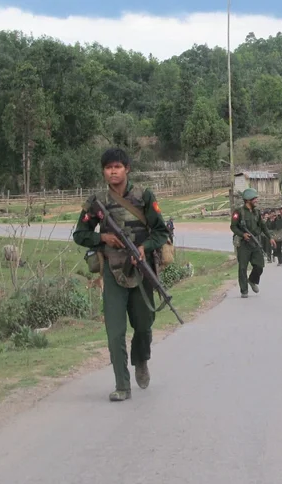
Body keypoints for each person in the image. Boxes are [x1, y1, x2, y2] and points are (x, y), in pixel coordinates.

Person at [73, 148, 170, 402]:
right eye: (108, 168)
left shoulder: (144, 196)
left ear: (127, 169)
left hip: (142, 270)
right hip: (113, 270)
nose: (113, 172)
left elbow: (161, 232)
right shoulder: (97, 201)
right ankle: (122, 385)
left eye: (117, 167)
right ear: (103, 171)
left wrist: (144, 247)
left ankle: (141, 360)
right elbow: (80, 234)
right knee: (115, 332)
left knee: (144, 326)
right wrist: (102, 237)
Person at [230, 188, 276, 298]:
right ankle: (244, 291)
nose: (256, 200)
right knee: (242, 268)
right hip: (243, 244)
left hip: (255, 243)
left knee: (259, 265)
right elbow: (233, 227)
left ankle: (252, 280)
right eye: (254, 198)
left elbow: (263, 226)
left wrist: (270, 237)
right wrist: (243, 234)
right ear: (248, 200)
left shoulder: (257, 212)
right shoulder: (238, 212)